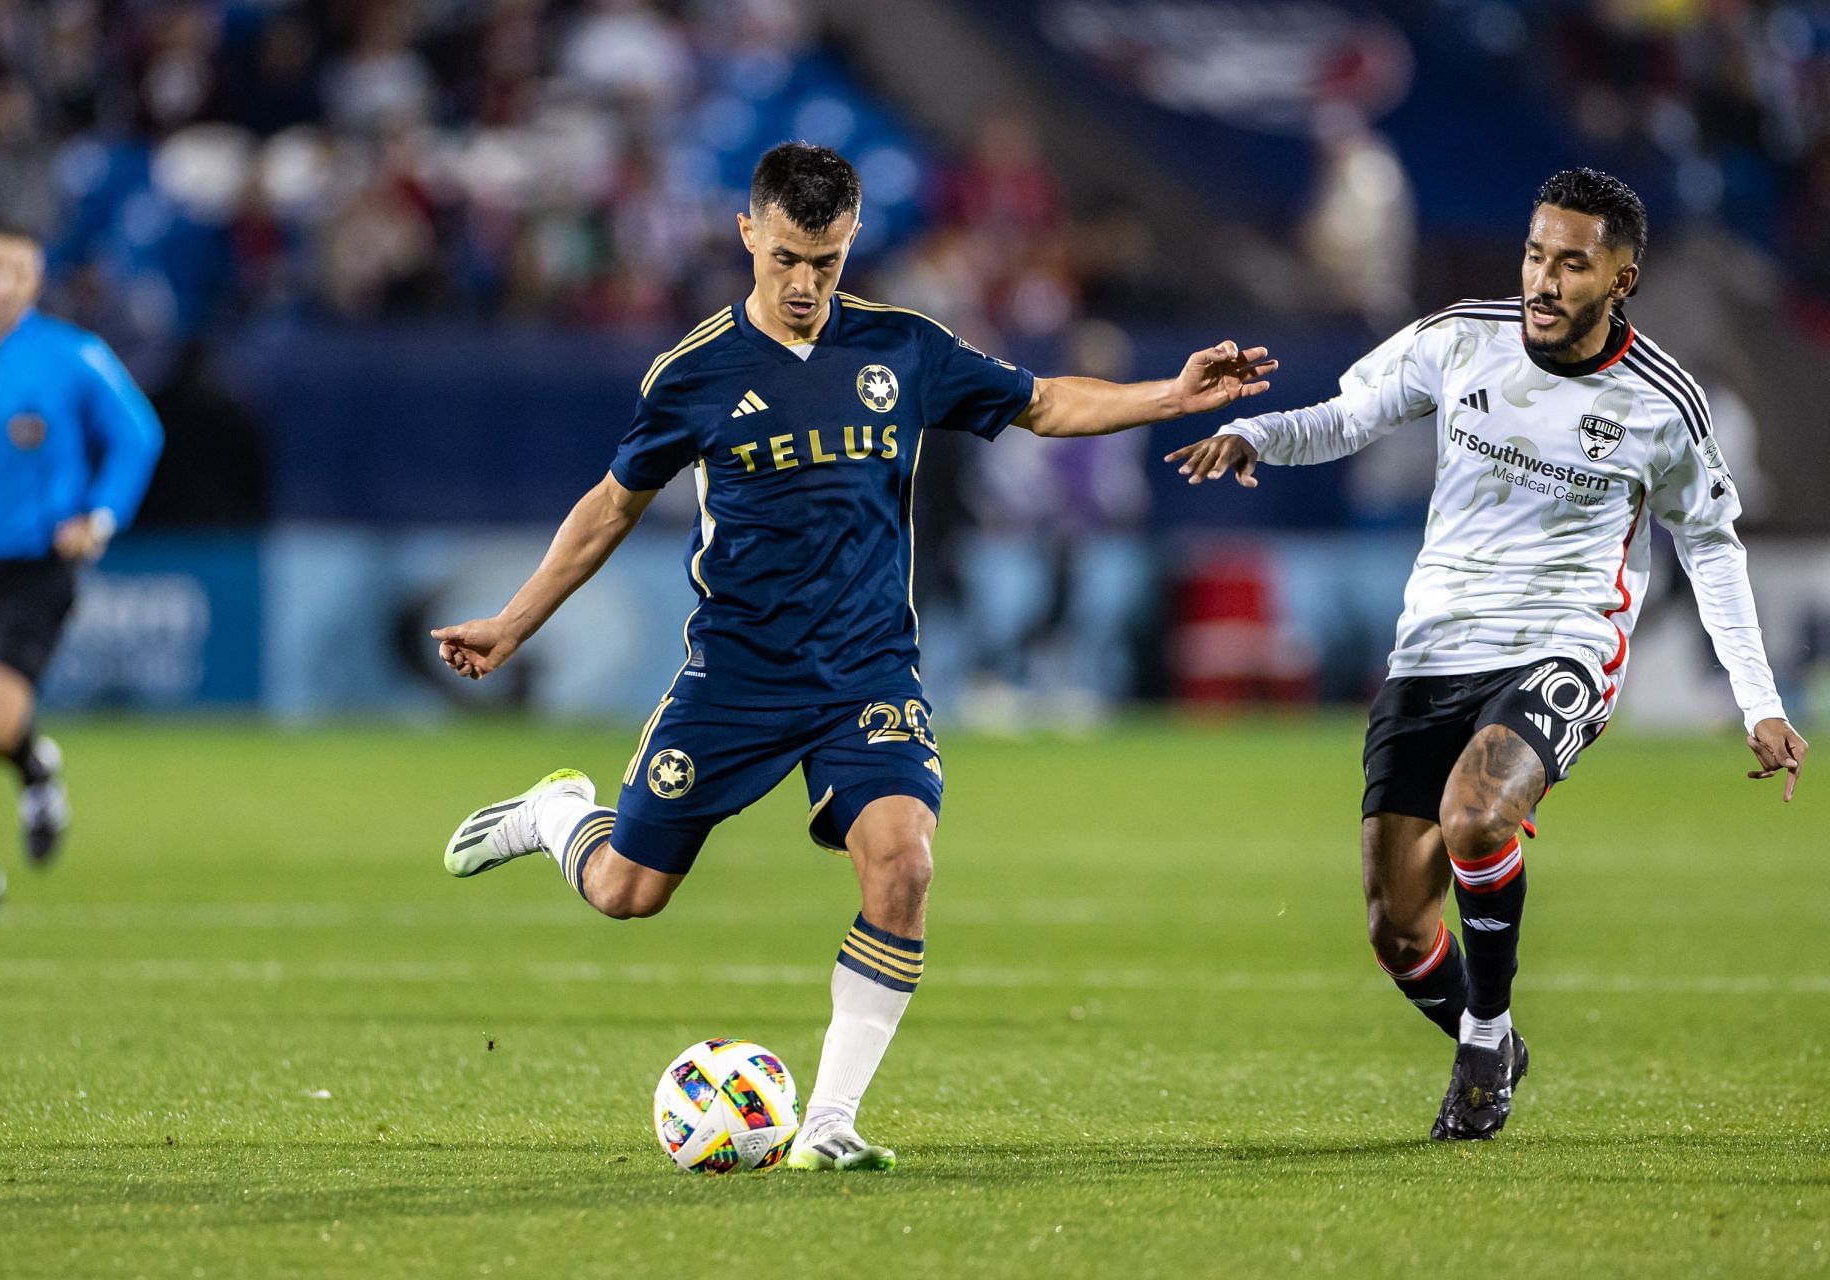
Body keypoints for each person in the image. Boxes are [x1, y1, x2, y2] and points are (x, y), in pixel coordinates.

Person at [431, 142, 1275, 1171]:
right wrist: (514, 622)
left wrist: (1172, 396)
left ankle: (827, 1120)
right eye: (785, 257)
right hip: (737, 673)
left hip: (868, 670)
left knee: (904, 861)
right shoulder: (692, 374)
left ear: (851, 244)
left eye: (825, 263)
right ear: (748, 234)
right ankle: (556, 810)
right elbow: (614, 506)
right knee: (625, 891)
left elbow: (1042, 401)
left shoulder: (903, 349)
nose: (803, 285)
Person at [1169, 168, 1808, 1141]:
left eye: (1573, 264)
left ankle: (1483, 1045)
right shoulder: (1462, 335)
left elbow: (1709, 543)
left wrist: (1758, 697)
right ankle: (1491, 1034)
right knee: (1397, 925)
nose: (1545, 280)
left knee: (1477, 815)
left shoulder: (1661, 403)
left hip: (1563, 641)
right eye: (1536, 255)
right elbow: (1348, 413)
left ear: (1621, 279)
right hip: (1432, 646)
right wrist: (1257, 429)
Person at [0, 224, 164, 915]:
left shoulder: (72, 355)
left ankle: (33, 767)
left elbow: (138, 434)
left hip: (37, 565)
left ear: (34, 281)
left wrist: (100, 517)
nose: (5, 281)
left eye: (20, 270)